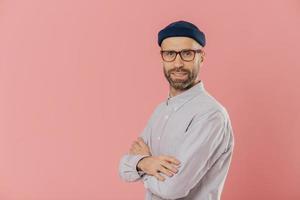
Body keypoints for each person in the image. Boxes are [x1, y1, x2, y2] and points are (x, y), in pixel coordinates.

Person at [118, 20, 235, 200]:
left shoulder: (211, 115)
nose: (178, 63)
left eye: (187, 53)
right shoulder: (160, 111)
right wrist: (145, 161)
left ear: (201, 57)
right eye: (170, 53)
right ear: (162, 57)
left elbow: (173, 188)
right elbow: (124, 168)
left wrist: (142, 165)